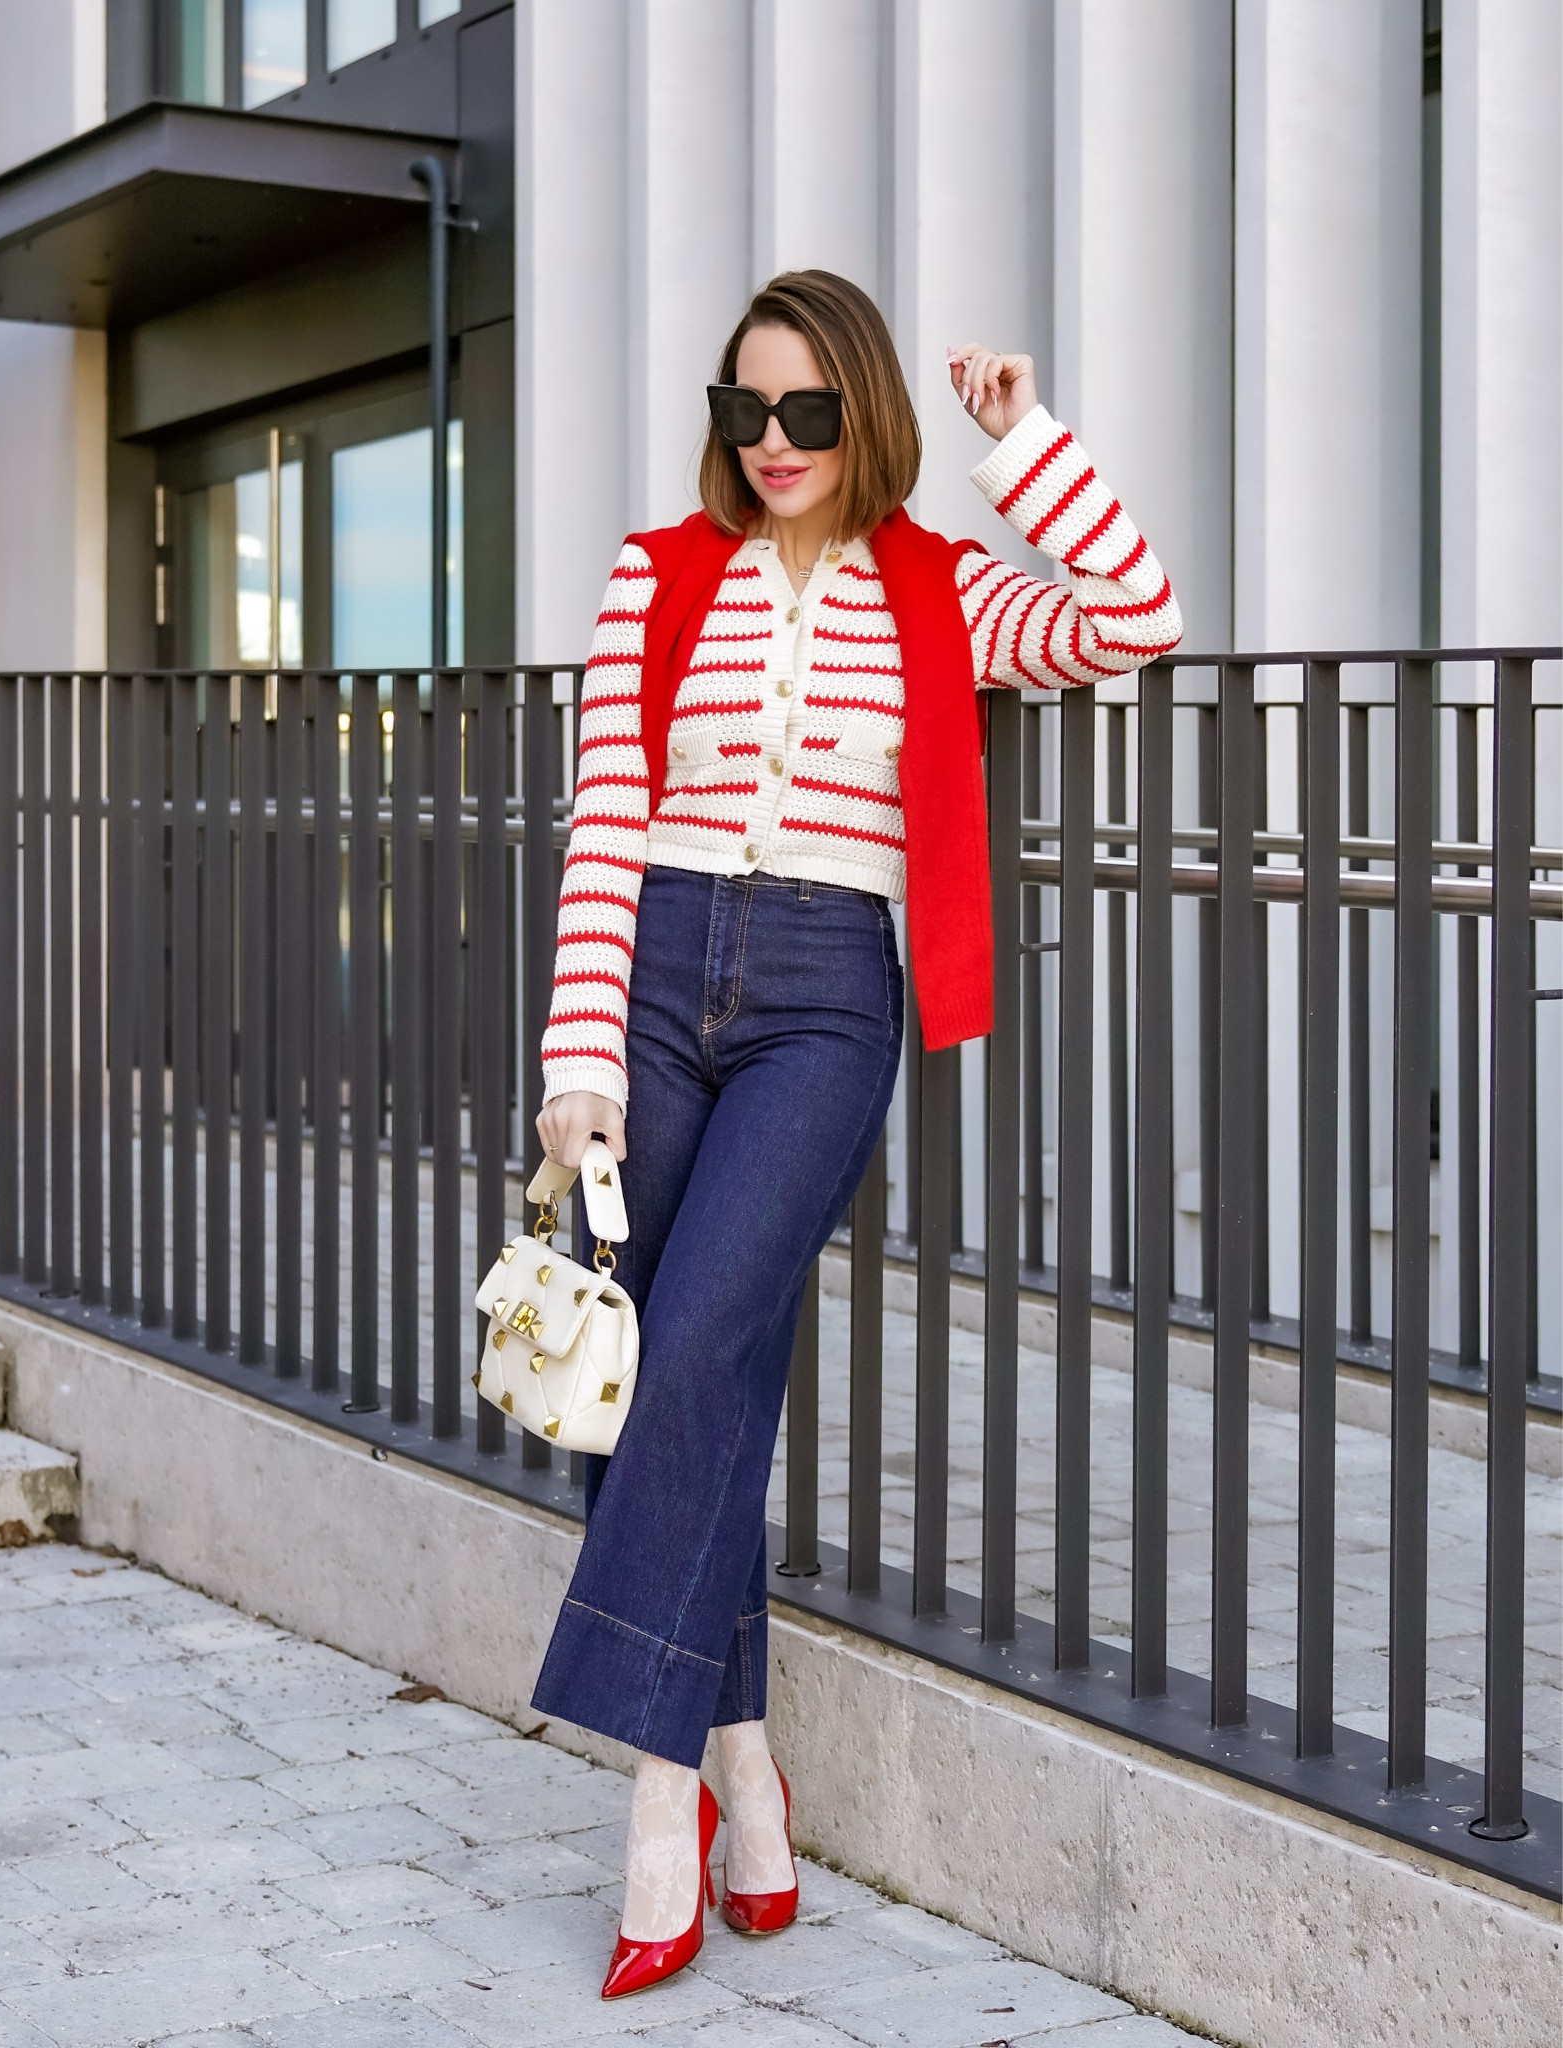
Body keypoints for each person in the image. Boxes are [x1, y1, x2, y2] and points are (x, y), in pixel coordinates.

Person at [530, 269, 1181, 2000]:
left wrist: (1018, 441)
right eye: (746, 411)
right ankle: (745, 1762)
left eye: (808, 412)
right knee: (663, 1390)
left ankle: (656, 1796)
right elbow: (606, 815)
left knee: (690, 1358)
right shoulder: (656, 573)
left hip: (826, 987)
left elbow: (1133, 614)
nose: (774, 442)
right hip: (659, 969)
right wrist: (577, 1054)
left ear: (864, 414)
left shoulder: (937, 588)